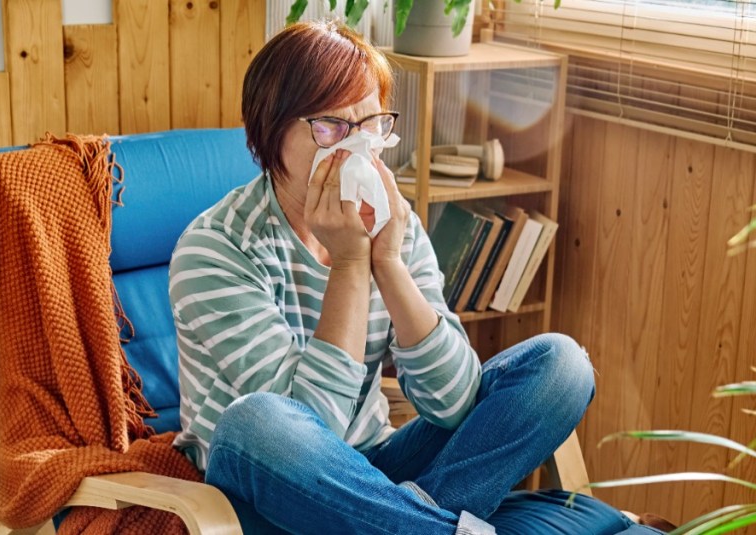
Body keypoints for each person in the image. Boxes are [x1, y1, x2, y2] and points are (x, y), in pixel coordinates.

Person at [169, 19, 663, 535]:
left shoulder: (392, 224)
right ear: (269, 133)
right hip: (265, 490)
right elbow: (312, 426)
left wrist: (388, 262)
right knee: (258, 423)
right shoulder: (216, 250)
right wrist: (351, 264)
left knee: (561, 366)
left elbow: (451, 405)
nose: (357, 147)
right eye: (332, 126)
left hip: (377, 474)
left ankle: (410, 521)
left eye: (371, 125)